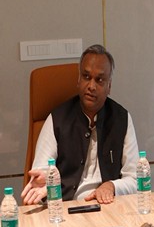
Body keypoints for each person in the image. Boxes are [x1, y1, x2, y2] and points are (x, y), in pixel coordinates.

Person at [22, 44, 139, 205]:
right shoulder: (57, 119)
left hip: (109, 206)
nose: (91, 86)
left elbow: (135, 179)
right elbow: (40, 172)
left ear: (109, 86)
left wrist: (112, 186)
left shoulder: (122, 118)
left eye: (99, 80)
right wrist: (48, 183)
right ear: (78, 80)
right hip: (66, 208)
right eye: (86, 76)